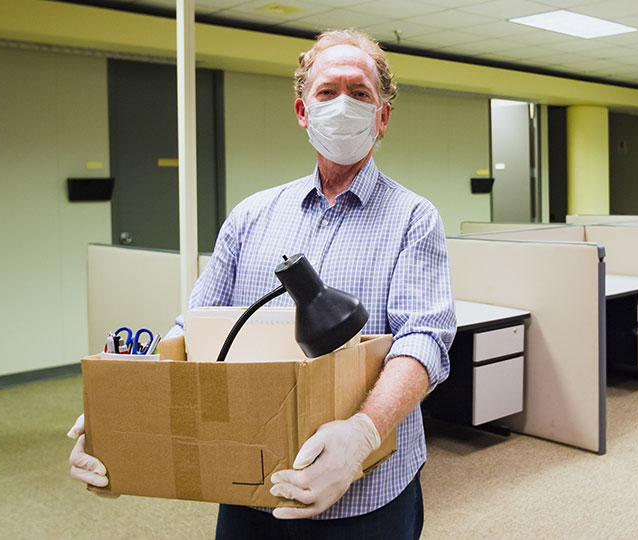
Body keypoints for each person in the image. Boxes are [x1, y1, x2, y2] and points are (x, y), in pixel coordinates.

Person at [68, 29, 456, 539]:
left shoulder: (413, 218)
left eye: (359, 93)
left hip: (366, 495)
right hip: (250, 487)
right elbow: (193, 331)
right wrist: (123, 421)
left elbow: (423, 340)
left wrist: (362, 436)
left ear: (381, 116)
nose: (342, 104)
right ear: (302, 111)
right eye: (327, 92)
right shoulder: (252, 216)